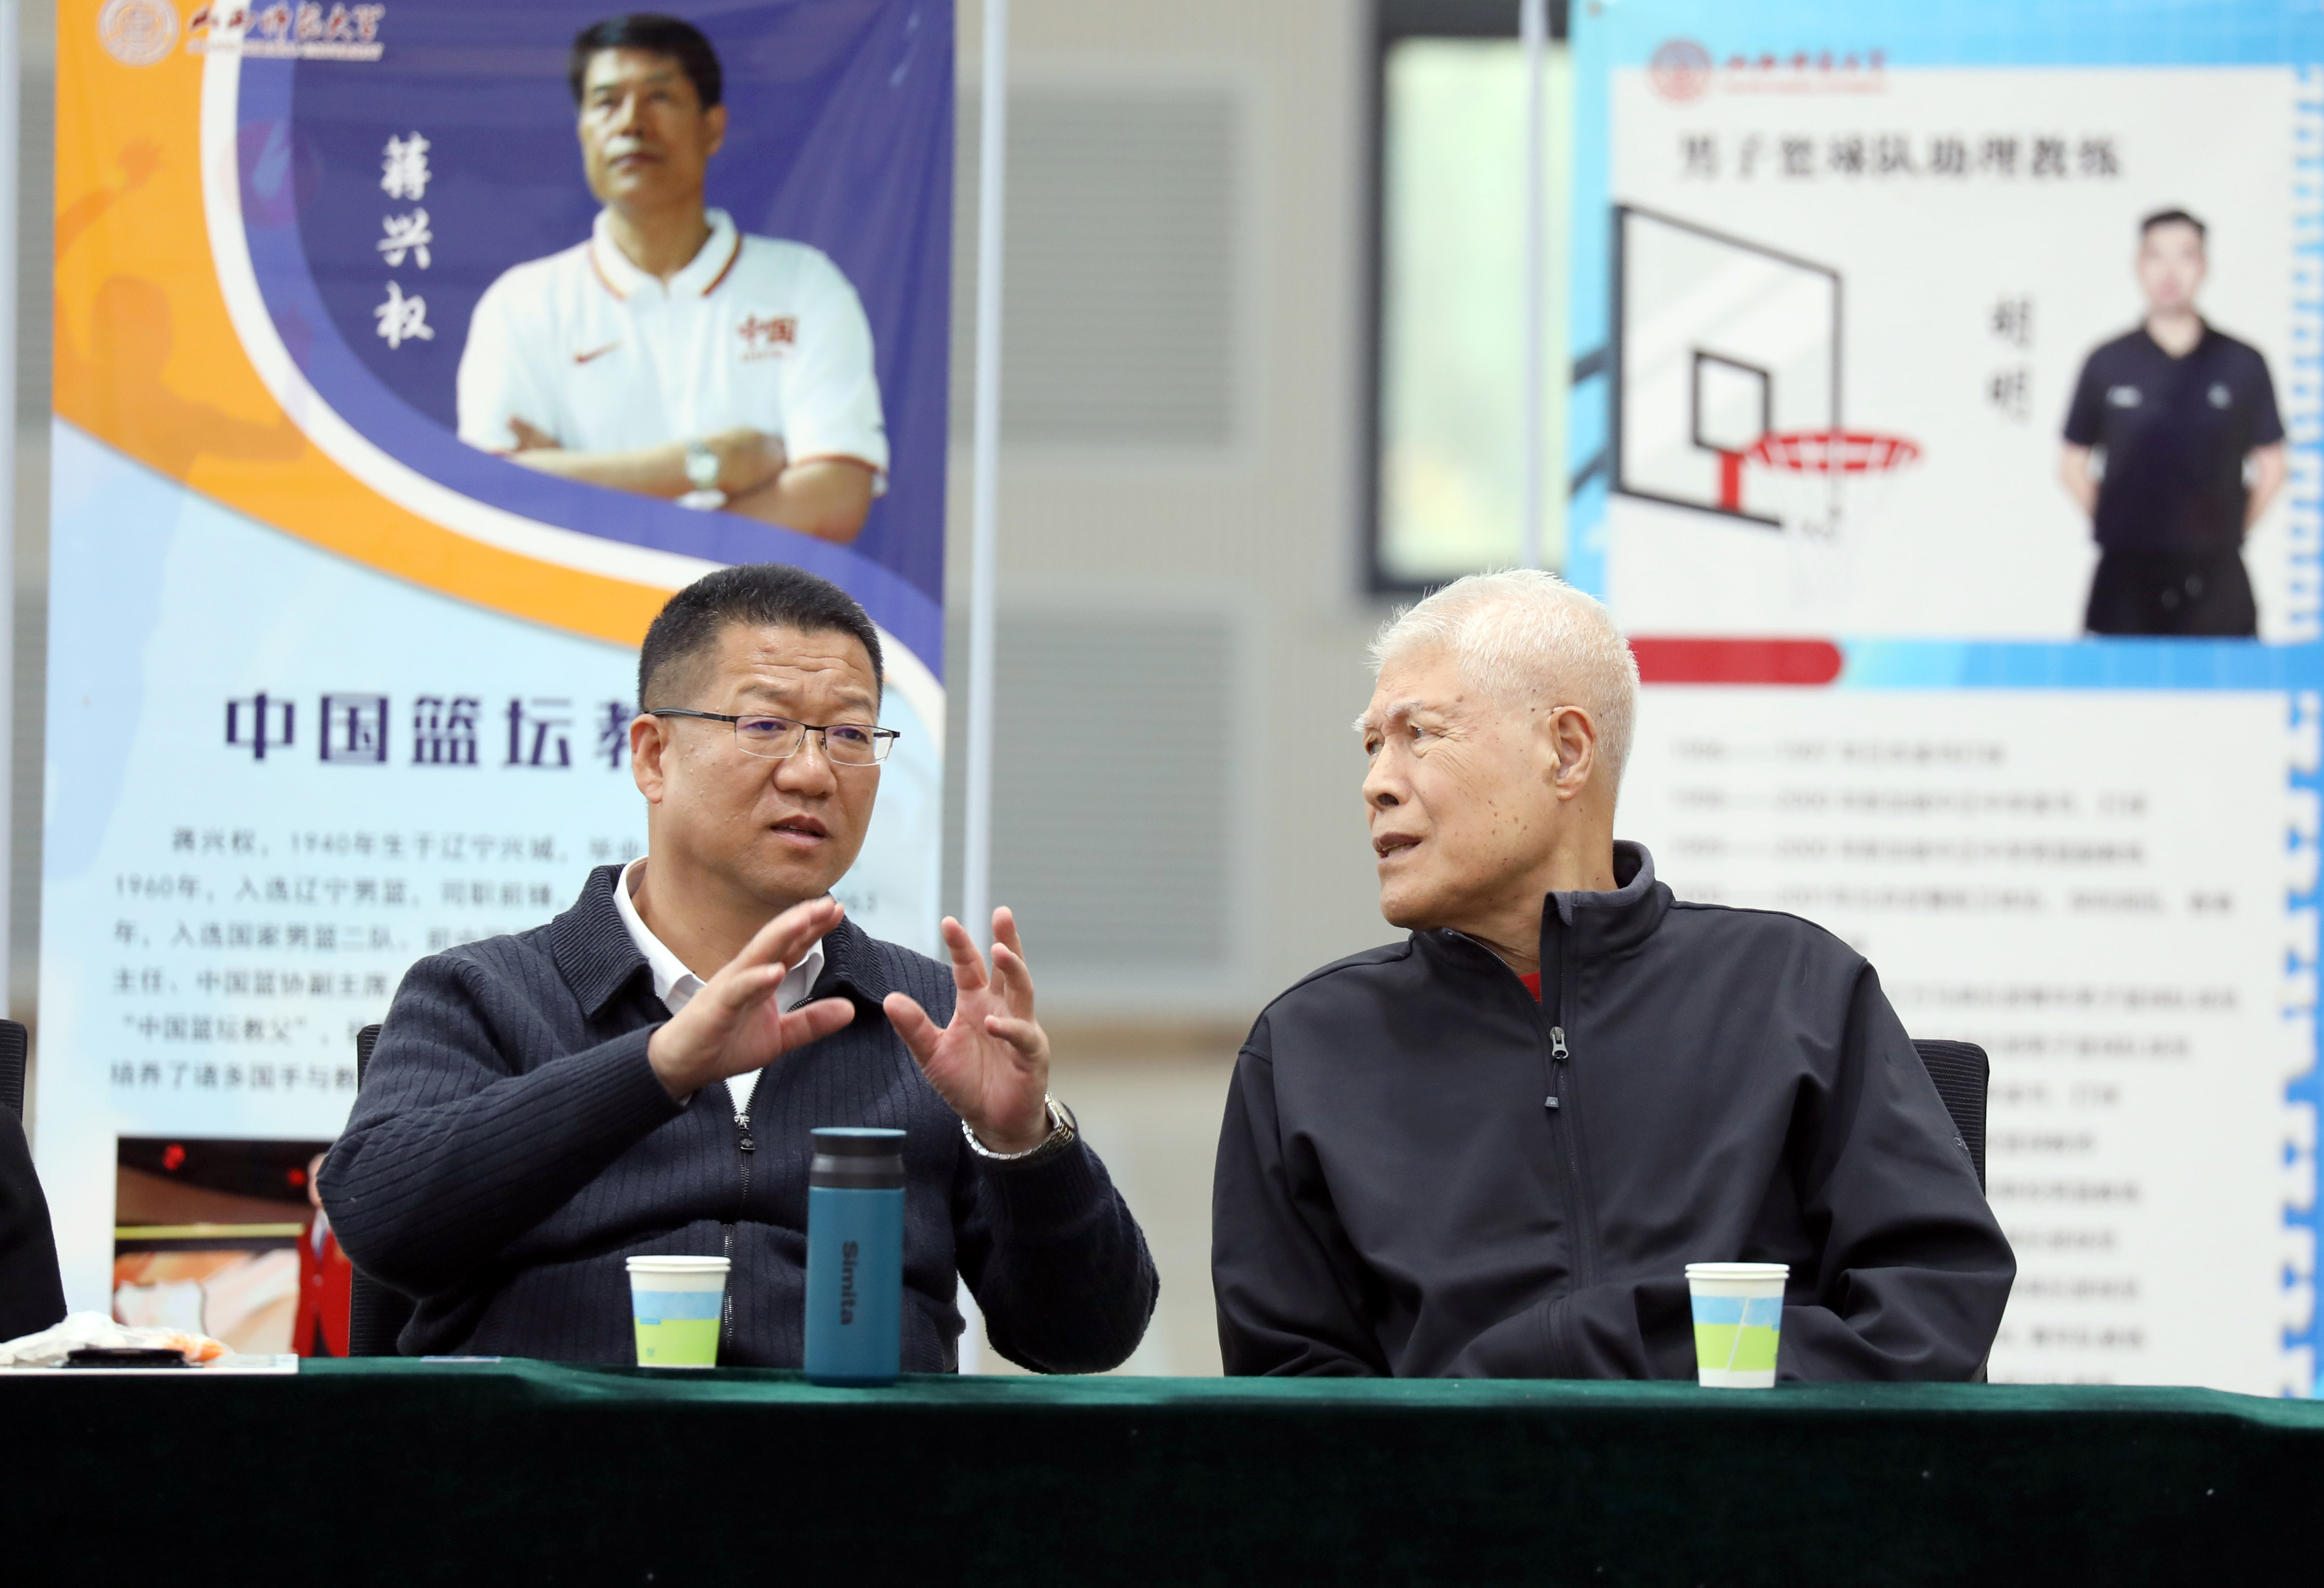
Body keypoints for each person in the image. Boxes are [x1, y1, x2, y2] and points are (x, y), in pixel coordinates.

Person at [322, 564, 1157, 1368]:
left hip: (854, 1463)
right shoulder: (483, 993)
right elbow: (379, 1219)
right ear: (653, 756)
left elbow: (1085, 1339)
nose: (813, 772)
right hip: (557, 1457)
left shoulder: (926, 1018)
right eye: (764, 726)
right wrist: (658, 1066)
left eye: (850, 735)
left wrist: (1022, 1143)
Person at [1211, 570, 2013, 1379]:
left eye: (1419, 734)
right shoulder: (1308, 1051)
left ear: (1566, 752)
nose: (1377, 784)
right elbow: (1291, 1402)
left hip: (1752, 1461)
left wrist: (1624, 1363)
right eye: (1372, 745)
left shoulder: (1795, 990)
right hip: (1455, 1469)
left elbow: (1931, 1309)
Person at [456, 15, 887, 544]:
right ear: (583, 131)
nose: (632, 124)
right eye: (607, 102)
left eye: (659, 97)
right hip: (603, 607)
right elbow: (495, 497)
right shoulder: (521, 305)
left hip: (738, 607)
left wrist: (579, 489)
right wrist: (712, 462)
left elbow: (834, 500)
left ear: (713, 128)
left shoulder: (803, 286)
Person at [2061, 210, 2287, 637]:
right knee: (2120, 679)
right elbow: (2072, 464)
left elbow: (2272, 467)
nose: (2170, 272)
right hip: (2126, 578)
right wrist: (2118, 522)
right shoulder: (2107, 362)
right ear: (2138, 264)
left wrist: (2226, 531)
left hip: (2216, 578)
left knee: (2225, 680)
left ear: (2204, 266)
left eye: (2185, 256)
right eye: (2156, 256)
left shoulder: (2242, 363)